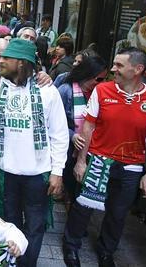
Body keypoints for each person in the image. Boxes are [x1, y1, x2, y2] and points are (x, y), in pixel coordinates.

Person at [62, 48, 146, 267]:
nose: (113, 69)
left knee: (118, 213)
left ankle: (106, 251)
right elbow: (88, 126)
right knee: (83, 208)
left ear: (138, 69)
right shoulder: (102, 90)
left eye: (119, 65)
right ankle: (71, 245)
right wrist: (82, 161)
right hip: (97, 160)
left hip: (131, 166)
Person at [0, 38, 69, 267]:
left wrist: (57, 172)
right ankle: (13, 262)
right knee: (10, 223)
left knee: (35, 226)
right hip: (6, 171)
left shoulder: (48, 91)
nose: (1, 61)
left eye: (7, 58)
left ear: (21, 62)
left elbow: (59, 134)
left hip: (38, 174)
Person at [57, 56, 108, 207]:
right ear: (87, 75)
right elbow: (53, 123)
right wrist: (73, 136)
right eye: (99, 79)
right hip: (70, 151)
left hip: (93, 152)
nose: (102, 83)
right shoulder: (66, 91)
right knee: (73, 188)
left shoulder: (101, 93)